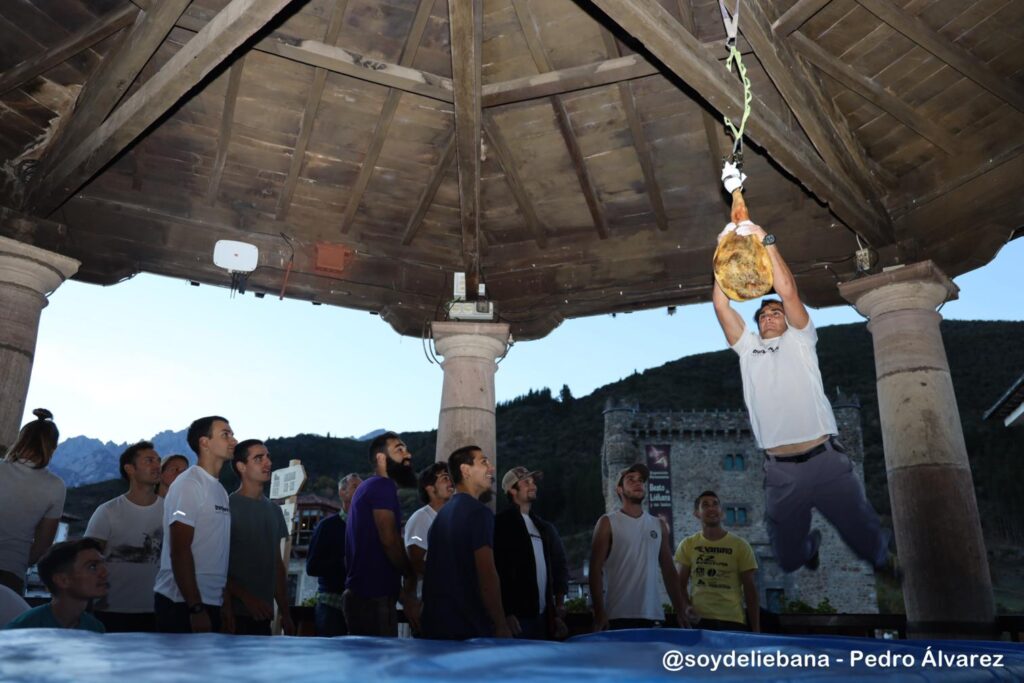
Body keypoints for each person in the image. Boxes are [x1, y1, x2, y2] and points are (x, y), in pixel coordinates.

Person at [712, 212, 890, 574]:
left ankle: (889, 565)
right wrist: (722, 253)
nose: (769, 316)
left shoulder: (801, 339)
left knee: (865, 537)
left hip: (825, 460)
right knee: (788, 558)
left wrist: (764, 239)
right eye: (764, 315)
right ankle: (810, 547)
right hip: (780, 470)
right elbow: (720, 305)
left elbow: (788, 291)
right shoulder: (748, 348)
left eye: (775, 312)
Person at [153, 416, 236, 633]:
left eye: (232, 435)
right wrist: (195, 608)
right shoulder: (188, 484)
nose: (233, 440)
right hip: (181, 603)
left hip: (211, 602)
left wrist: (225, 604)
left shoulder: (220, 490)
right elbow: (179, 550)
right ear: (204, 442)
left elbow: (218, 553)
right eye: (225, 435)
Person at [421, 446, 511, 640]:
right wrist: (501, 624)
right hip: (468, 630)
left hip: (436, 629)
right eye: (484, 462)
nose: (491, 468)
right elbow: (486, 574)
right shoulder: (478, 513)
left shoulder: (440, 517)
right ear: (465, 470)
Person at [589, 464, 686, 630]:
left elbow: (669, 571)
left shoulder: (659, 525)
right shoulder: (607, 522)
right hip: (617, 615)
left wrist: (681, 611)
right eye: (630, 479)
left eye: (641, 480)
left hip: (653, 615)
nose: (638, 483)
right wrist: (599, 612)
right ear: (619, 489)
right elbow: (595, 569)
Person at [343, 432, 420, 636]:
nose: (408, 454)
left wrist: (403, 597)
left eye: (406, 449)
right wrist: (410, 572)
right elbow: (389, 541)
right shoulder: (382, 486)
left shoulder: (367, 487)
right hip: (373, 600)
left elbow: (376, 555)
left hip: (363, 596)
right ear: (381, 458)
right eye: (399, 449)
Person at [84, 440, 164, 632]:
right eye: (149, 460)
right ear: (130, 469)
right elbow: (87, 559)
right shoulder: (107, 511)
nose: (157, 465)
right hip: (110, 610)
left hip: (158, 611)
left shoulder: (171, 510)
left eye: (158, 460)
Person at [224, 439, 293, 636]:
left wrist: (286, 613)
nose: (268, 462)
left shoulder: (275, 510)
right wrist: (245, 599)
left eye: (268, 457)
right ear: (241, 466)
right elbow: (214, 565)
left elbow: (276, 564)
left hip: (264, 616)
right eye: (258, 458)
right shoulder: (225, 507)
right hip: (231, 616)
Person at [494, 466, 569, 640]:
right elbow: (497, 570)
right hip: (518, 620)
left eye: (533, 482)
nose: (533, 485)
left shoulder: (544, 527)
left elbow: (559, 565)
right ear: (512, 490)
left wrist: (558, 606)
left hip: (544, 617)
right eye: (526, 482)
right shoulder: (500, 524)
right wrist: (505, 613)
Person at [0, 408, 64, 595]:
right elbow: (43, 544)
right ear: (53, 447)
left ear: (20, 439)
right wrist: (22, 561)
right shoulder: (55, 486)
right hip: (11, 572)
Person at [676, 491, 759, 632]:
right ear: (697, 513)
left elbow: (750, 590)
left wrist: (756, 629)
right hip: (700, 621)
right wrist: (686, 606)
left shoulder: (740, 545)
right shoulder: (687, 544)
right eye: (705, 505)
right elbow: (679, 585)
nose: (711, 508)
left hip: (733, 621)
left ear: (721, 512)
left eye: (715, 504)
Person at [3, 538, 108, 632]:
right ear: (63, 580)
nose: (104, 573)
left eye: (103, 564)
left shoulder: (95, 627)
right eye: (92, 567)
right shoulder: (23, 629)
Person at [306, 472, 361, 636]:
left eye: (363, 488)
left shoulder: (369, 528)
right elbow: (311, 567)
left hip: (362, 607)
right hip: (332, 607)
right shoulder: (327, 526)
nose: (361, 491)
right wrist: (341, 562)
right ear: (342, 493)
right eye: (355, 487)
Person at [404, 463, 454, 593]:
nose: (451, 482)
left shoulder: (450, 517)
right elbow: (415, 562)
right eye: (445, 478)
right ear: (430, 488)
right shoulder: (421, 518)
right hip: (425, 597)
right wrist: (449, 578)